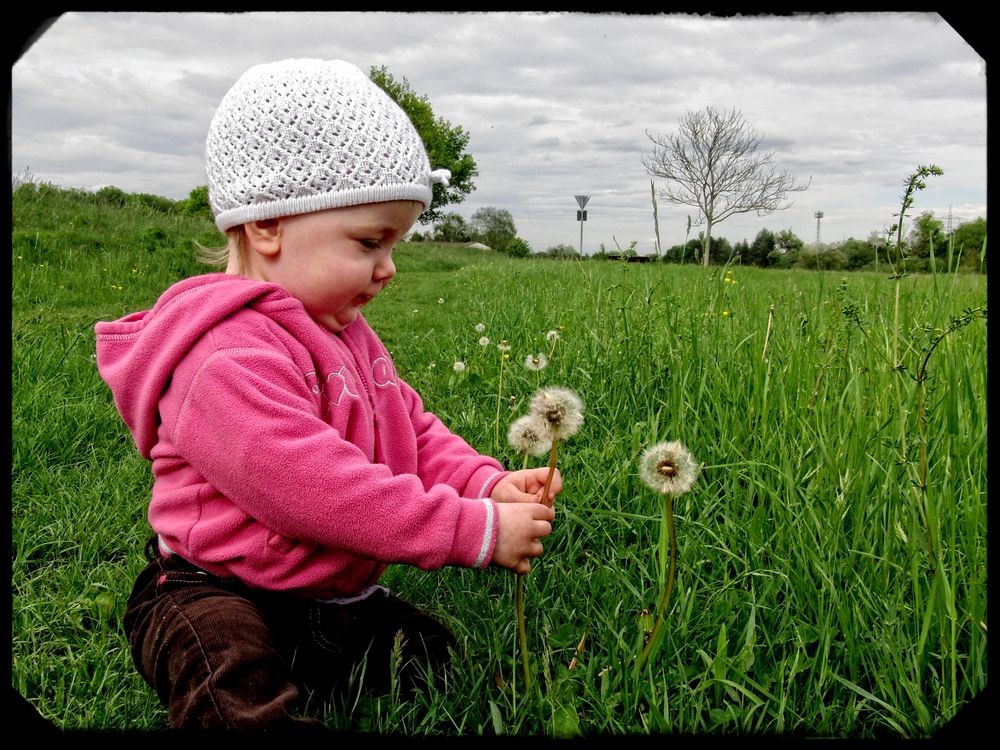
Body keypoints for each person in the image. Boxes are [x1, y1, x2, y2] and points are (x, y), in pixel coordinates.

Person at [95, 58, 560, 732]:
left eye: (397, 242)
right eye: (370, 241)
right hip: (216, 592)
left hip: (333, 597)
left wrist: (483, 484)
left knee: (431, 657)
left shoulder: (346, 333)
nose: (389, 267)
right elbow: (313, 489)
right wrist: (470, 530)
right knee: (231, 681)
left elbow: (410, 427)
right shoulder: (223, 354)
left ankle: (321, 662)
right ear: (267, 226)